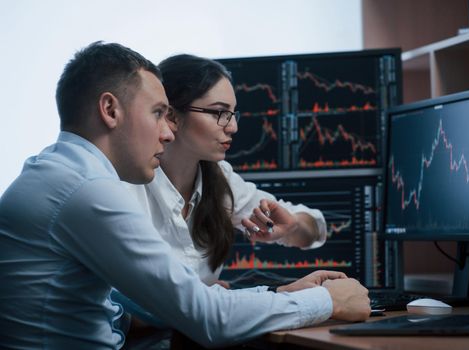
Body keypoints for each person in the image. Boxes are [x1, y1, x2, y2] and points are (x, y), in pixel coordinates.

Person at [0, 41, 370, 349]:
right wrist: (327, 301)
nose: (167, 132)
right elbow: (208, 318)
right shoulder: (88, 190)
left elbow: (176, 306)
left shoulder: (59, 171)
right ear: (110, 110)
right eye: (159, 114)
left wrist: (274, 292)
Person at [124, 53, 328, 287]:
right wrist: (211, 299)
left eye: (232, 114)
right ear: (172, 115)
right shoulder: (128, 186)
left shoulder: (219, 178)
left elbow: (314, 226)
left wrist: (291, 226)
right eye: (219, 113)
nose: (233, 127)